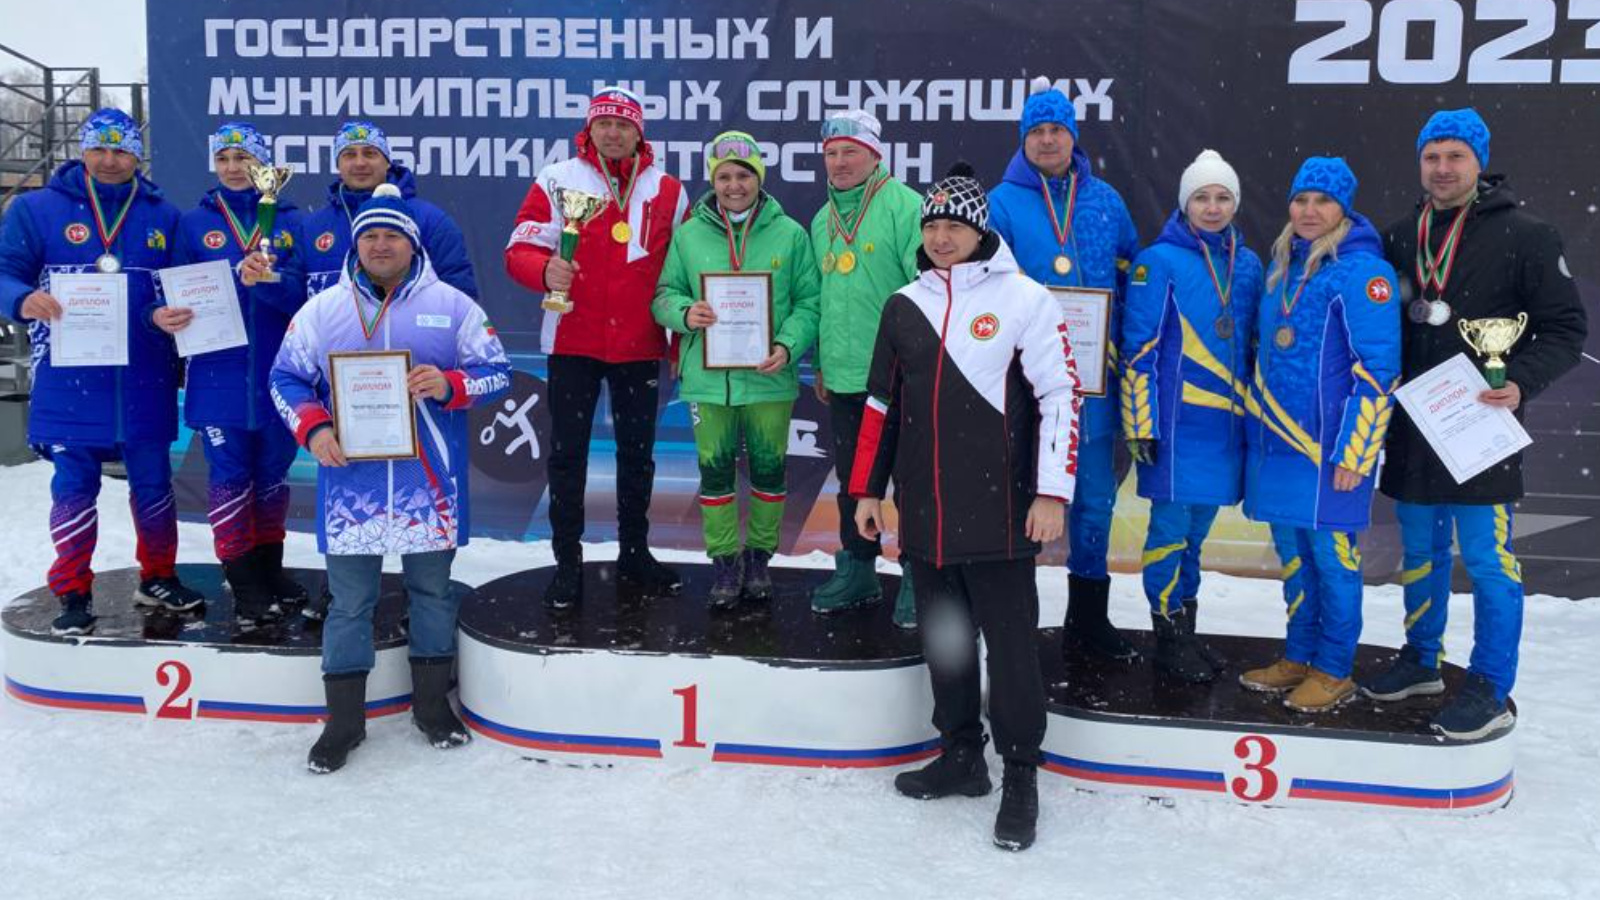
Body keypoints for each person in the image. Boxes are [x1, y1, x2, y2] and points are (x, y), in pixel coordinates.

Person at [853, 162, 1081, 852]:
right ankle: (961, 756)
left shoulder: (1026, 299)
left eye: (955, 225)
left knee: (1011, 652)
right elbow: (880, 405)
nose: (942, 237)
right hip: (926, 516)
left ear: (980, 232)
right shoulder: (903, 304)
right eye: (933, 225)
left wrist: (1051, 493)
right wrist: (868, 489)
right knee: (947, 645)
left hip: (1002, 514)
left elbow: (1060, 398)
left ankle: (1021, 773)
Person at [270, 185, 511, 773]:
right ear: (356, 245)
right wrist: (313, 429)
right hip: (349, 485)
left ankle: (431, 707)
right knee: (351, 602)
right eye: (370, 236)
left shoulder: (453, 306)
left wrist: (452, 384)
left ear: (412, 243)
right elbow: (285, 378)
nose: (381, 245)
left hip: (428, 484)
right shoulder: (322, 310)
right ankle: (344, 722)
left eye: (393, 236)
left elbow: (497, 372)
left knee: (431, 594)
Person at [1365, 109, 1587, 739]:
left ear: (1479, 162)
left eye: (1455, 156)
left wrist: (1520, 381)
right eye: (1432, 156)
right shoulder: (1398, 237)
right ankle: (1421, 660)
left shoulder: (1527, 235)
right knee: (1420, 552)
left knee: (1488, 561)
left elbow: (1567, 328)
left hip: (1481, 430)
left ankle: (1489, 684)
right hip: (1414, 429)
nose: (1442, 168)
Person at [0, 109, 200, 634]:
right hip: (69, 384)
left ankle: (158, 576)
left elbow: (177, 289)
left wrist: (158, 315)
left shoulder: (163, 215)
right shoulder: (37, 209)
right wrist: (21, 299)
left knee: (154, 486)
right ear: (82, 150)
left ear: (138, 156)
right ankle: (72, 590)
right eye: (99, 149)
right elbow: (5, 271)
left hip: (143, 381)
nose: (110, 161)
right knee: (73, 490)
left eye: (122, 150)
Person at [505, 86, 688, 608]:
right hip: (574, 340)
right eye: (603, 124)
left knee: (638, 456)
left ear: (639, 134)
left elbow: (684, 269)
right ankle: (568, 561)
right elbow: (517, 249)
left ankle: (635, 552)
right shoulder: (557, 178)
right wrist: (545, 269)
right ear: (588, 130)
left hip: (640, 344)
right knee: (567, 456)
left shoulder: (669, 190)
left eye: (623, 124)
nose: (612, 132)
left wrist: (679, 341)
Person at [1240, 157, 1400, 712]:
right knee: (1294, 558)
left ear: (1343, 209)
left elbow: (1378, 370)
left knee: (1333, 562)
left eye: (1323, 201)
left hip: (1330, 452)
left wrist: (1356, 452)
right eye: (1301, 199)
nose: (1309, 211)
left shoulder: (1364, 273)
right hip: (1279, 447)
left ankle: (1334, 668)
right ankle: (1299, 654)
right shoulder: (1282, 267)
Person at [989, 76, 1141, 660]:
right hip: (1027, 384)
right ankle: (1015, 621)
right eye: (1038, 131)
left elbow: (1130, 279)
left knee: (1095, 501)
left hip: (1093, 384)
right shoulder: (1002, 203)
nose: (1048, 140)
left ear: (1073, 137)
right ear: (1023, 139)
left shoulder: (1106, 201)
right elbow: (988, 293)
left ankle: (1088, 619)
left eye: (1058, 130)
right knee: (1020, 502)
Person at [652, 131, 820, 608]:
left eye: (744, 175)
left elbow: (810, 302)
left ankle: (760, 558)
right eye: (723, 176)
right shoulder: (689, 235)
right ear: (713, 181)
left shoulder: (791, 234)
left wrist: (788, 345)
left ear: (759, 179)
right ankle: (725, 562)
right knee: (715, 474)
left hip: (769, 377)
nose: (733, 186)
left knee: (769, 471)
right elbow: (663, 295)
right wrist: (686, 313)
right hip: (709, 381)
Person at [1121, 150, 1263, 681]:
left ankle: (1186, 631)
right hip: (1176, 429)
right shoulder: (1156, 262)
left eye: (1223, 197)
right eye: (1201, 197)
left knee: (1196, 538)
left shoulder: (1248, 265)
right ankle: (1166, 636)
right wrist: (1142, 423)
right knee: (1169, 535)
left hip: (1225, 430)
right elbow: (1138, 348)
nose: (1212, 207)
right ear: (1185, 204)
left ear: (1235, 204)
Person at [159, 122, 308, 625]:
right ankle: (243, 581)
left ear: (262, 165)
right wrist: (166, 312)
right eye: (223, 159)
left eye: (242, 158)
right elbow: (168, 288)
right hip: (217, 377)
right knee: (229, 479)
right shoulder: (192, 224)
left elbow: (305, 298)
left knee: (272, 478)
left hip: (278, 376)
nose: (232, 168)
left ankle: (270, 569)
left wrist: (269, 281)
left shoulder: (292, 221)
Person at [805, 110, 923, 625]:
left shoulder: (905, 207)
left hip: (902, 378)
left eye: (850, 151)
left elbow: (928, 291)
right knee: (854, 480)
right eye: (831, 153)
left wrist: (922, 365)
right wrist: (822, 363)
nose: (839, 162)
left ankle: (919, 574)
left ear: (875, 155)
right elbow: (822, 299)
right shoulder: (820, 220)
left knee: (913, 481)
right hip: (846, 377)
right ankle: (858, 568)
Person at [300, 119, 476, 300]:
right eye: (349, 155)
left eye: (370, 153)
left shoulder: (430, 221)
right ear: (338, 165)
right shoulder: (311, 228)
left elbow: (458, 298)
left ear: (387, 162)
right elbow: (296, 306)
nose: (360, 163)